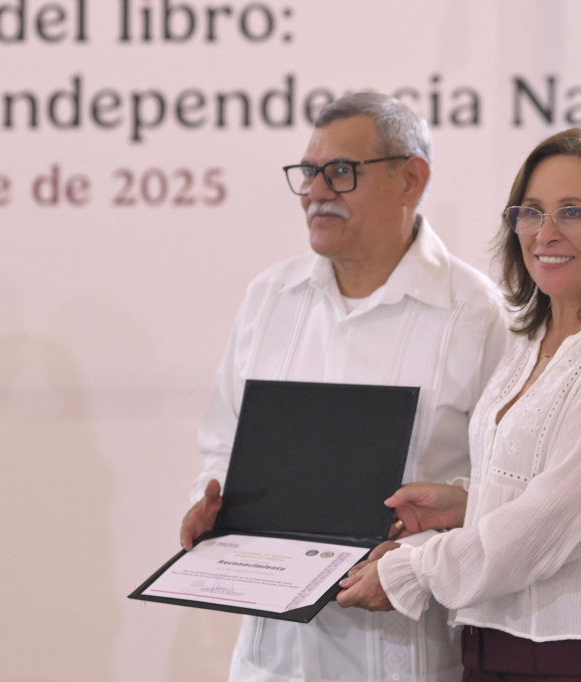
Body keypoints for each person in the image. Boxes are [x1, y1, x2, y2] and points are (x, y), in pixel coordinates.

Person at [337, 128, 581, 681]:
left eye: (572, 212)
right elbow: (539, 485)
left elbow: (555, 520)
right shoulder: (531, 339)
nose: (545, 233)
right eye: (531, 212)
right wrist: (465, 504)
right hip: (493, 647)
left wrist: (415, 571)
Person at [180, 92, 508, 682]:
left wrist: (417, 554)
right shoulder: (270, 298)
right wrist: (213, 507)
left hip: (403, 652)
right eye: (308, 172)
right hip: (273, 659)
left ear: (411, 179)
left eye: (340, 171)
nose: (315, 192)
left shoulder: (478, 314)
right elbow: (222, 442)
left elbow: (506, 493)